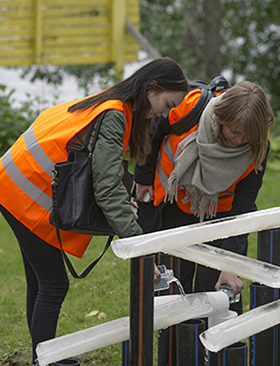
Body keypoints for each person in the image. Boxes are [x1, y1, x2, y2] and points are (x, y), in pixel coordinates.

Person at [0, 58, 189, 364]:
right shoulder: (115, 114)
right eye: (166, 104)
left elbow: (101, 179)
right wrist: (142, 249)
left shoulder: (113, 101)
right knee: (53, 283)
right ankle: (45, 359)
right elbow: (106, 190)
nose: (163, 115)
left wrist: (118, 208)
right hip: (22, 193)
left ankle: (43, 356)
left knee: (41, 281)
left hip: (15, 183)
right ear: (151, 89)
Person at [134, 80, 274, 315]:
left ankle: (209, 348)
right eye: (235, 131)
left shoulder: (259, 144)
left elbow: (244, 206)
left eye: (246, 136)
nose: (239, 140)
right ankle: (176, 348)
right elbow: (152, 131)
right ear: (221, 118)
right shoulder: (190, 107)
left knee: (215, 290)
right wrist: (143, 176)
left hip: (219, 216)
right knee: (174, 287)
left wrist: (230, 265)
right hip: (173, 205)